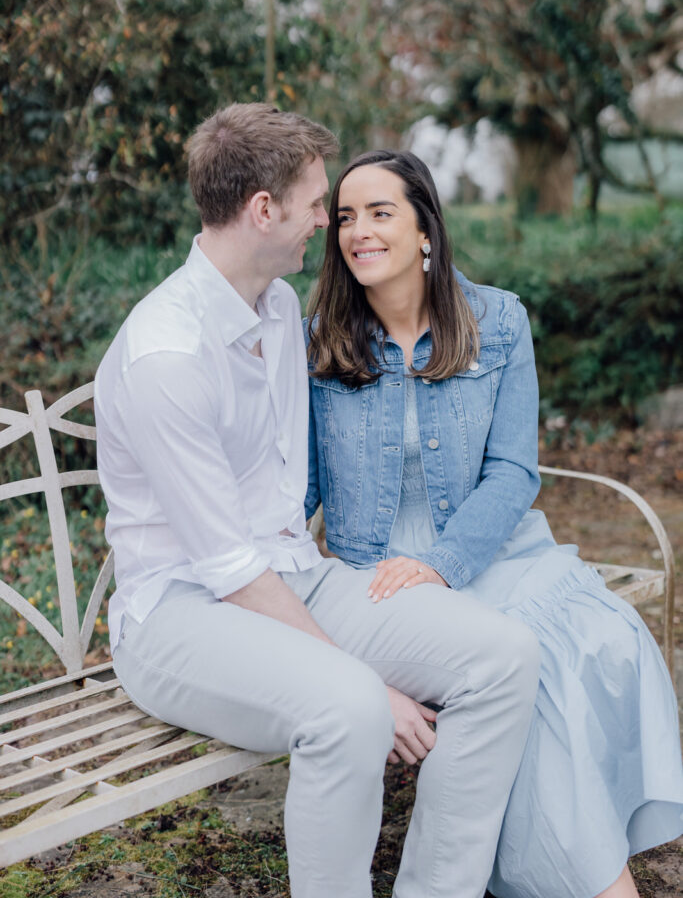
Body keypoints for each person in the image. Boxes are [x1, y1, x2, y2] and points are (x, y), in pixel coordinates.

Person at [94, 105, 541, 898]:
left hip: (290, 576)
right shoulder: (167, 354)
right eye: (314, 206)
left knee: (502, 659)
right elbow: (227, 568)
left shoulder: (275, 312)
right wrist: (369, 680)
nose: (323, 226)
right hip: (180, 612)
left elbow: (281, 514)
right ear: (263, 210)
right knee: (350, 709)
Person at [305, 149, 683, 898]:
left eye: (380, 213)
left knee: (604, 639)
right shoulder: (318, 337)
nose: (358, 232)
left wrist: (445, 561)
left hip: (491, 553)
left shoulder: (497, 320)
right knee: (529, 683)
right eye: (346, 217)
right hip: (379, 581)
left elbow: (513, 470)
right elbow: (297, 489)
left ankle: (576, 862)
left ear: (425, 232)